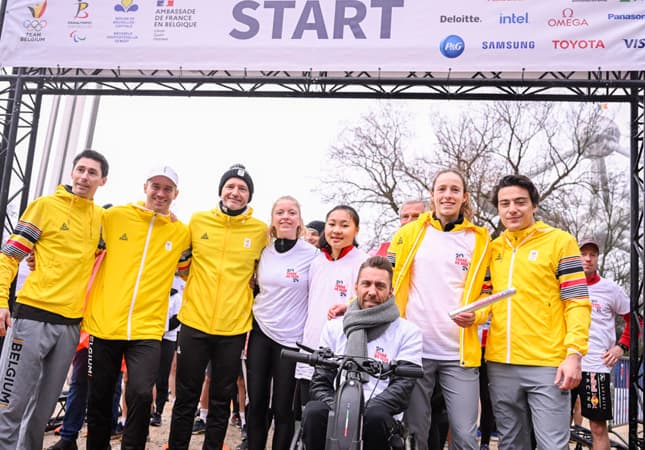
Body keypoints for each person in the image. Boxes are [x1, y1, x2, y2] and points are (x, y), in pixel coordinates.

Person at [472, 174, 591, 450]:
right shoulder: (493, 248)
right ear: (498, 209)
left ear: (534, 205)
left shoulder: (560, 242)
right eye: (504, 204)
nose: (512, 209)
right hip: (501, 364)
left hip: (548, 364)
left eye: (520, 202)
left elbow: (577, 302)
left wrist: (574, 354)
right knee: (512, 445)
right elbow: (487, 299)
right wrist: (474, 315)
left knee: (552, 445)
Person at [0, 149, 108, 450]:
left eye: (92, 173)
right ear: (72, 172)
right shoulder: (44, 206)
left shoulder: (102, 219)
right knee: (8, 406)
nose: (84, 177)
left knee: (41, 412)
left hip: (70, 326)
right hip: (31, 317)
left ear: (103, 181)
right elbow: (9, 257)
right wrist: (0, 302)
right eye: (81, 170)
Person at [83, 165, 191, 450]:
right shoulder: (115, 216)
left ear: (175, 194)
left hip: (147, 329)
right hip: (105, 324)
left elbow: (190, 269)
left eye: (167, 188)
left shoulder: (181, 232)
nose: (160, 193)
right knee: (99, 397)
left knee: (142, 394)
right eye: (155, 186)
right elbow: (83, 245)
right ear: (145, 187)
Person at [388, 169, 490, 450]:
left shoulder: (480, 240)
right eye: (442, 189)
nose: (448, 195)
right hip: (414, 350)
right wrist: (350, 306)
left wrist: (477, 315)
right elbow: (387, 282)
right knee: (416, 433)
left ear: (464, 197)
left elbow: (488, 294)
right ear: (432, 196)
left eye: (455, 190)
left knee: (466, 437)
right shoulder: (408, 234)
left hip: (459, 353)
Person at [168, 164, 268, 450]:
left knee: (221, 399)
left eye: (242, 188)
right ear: (221, 190)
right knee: (186, 397)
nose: (235, 193)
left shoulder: (260, 230)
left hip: (233, 327)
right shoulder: (198, 221)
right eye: (230, 187)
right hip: (194, 322)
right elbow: (181, 258)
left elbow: (268, 268)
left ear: (249, 196)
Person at [301, 256, 422, 450]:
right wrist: (339, 408)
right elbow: (321, 381)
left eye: (380, 286)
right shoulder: (333, 328)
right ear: (356, 287)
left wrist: (363, 410)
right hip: (337, 405)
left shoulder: (408, 332)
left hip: (379, 411)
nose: (372, 292)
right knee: (313, 412)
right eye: (366, 284)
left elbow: (403, 387)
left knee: (376, 418)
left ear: (391, 291)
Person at [246, 196, 318, 450]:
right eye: (280, 212)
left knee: (283, 407)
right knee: (256, 403)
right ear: (273, 220)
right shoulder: (264, 251)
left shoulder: (312, 255)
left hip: (291, 339)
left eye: (291, 212)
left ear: (299, 220)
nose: (285, 216)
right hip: (260, 332)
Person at [294, 205, 368, 407]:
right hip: (310, 348)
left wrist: (348, 306)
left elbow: (370, 302)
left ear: (356, 230)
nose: (336, 230)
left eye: (344, 225)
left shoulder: (363, 263)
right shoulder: (316, 262)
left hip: (341, 354)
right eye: (332, 224)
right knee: (307, 413)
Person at [571, 237, 630, 450]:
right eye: (583, 254)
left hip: (596, 366)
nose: (587, 259)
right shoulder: (563, 285)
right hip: (565, 364)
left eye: (592, 255)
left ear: (597, 258)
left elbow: (634, 318)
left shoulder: (610, 289)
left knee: (597, 427)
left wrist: (621, 346)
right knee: (557, 427)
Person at [151, 274, 186, 427]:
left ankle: (158, 411)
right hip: (152, 336)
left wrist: (163, 330)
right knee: (150, 374)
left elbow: (177, 318)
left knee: (162, 375)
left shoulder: (176, 296)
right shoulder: (156, 293)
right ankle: (149, 408)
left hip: (168, 338)